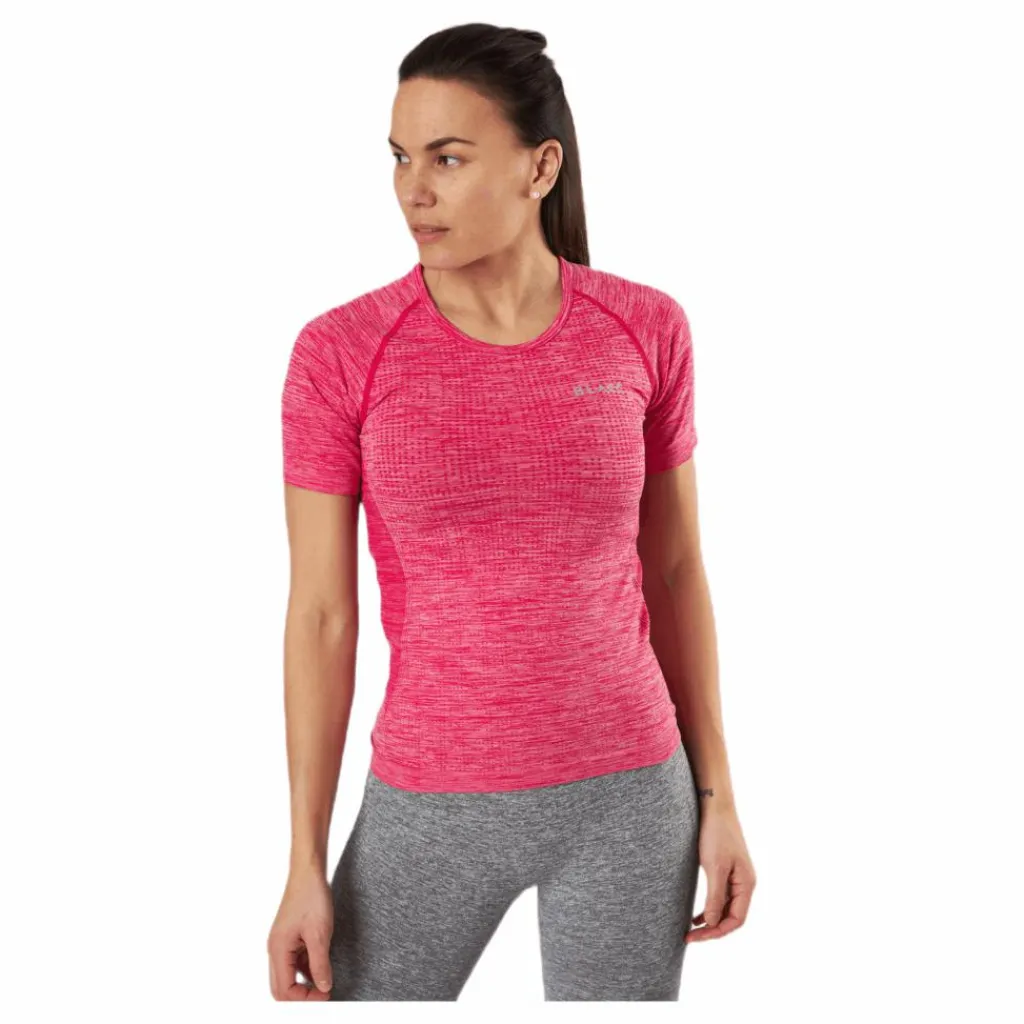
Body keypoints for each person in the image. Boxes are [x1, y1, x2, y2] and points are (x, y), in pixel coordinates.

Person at [267, 22, 755, 1002]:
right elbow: (321, 616)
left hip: (631, 797)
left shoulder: (644, 328)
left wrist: (719, 797)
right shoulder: (341, 351)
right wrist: (303, 865)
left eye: (448, 158)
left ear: (541, 168)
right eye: (400, 157)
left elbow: (674, 574)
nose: (413, 189)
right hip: (430, 804)